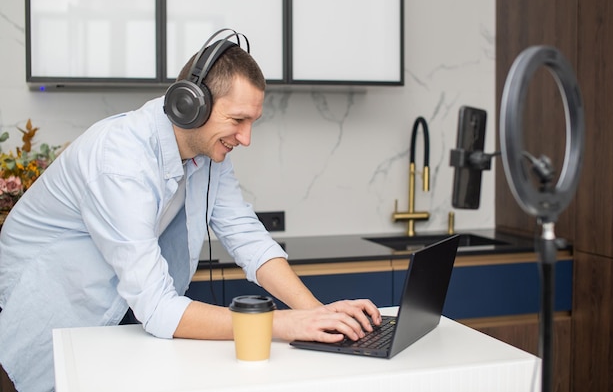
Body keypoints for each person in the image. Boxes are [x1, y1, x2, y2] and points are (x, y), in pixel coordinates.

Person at [0, 30, 381, 392]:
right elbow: (158, 307)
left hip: (107, 321)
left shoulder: (208, 152)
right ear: (190, 105)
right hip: (46, 315)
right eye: (237, 121)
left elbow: (246, 236)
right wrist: (283, 323)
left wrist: (318, 315)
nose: (246, 139)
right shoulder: (120, 162)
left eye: (252, 122)